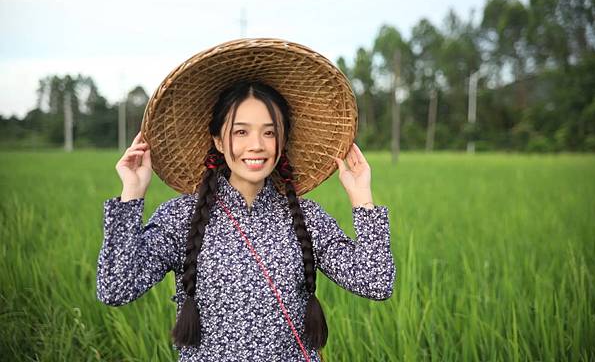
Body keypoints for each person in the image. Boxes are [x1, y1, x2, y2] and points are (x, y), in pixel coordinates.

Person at [96, 39, 396, 362]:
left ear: (282, 141)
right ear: (217, 141)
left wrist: (362, 196)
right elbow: (116, 288)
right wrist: (132, 193)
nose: (257, 145)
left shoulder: (304, 218)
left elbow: (376, 282)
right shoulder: (182, 217)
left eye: (269, 132)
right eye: (241, 132)